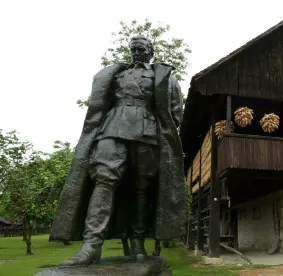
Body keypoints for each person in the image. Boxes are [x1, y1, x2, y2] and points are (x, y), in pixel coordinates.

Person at [49, 35, 186, 267]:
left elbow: (176, 113)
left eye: (142, 47)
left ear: (151, 51)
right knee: (104, 179)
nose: (137, 50)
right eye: (134, 48)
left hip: (147, 133)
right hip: (112, 129)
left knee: (141, 188)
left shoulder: (165, 77)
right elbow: (100, 105)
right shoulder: (115, 74)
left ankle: (137, 242)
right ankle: (91, 246)